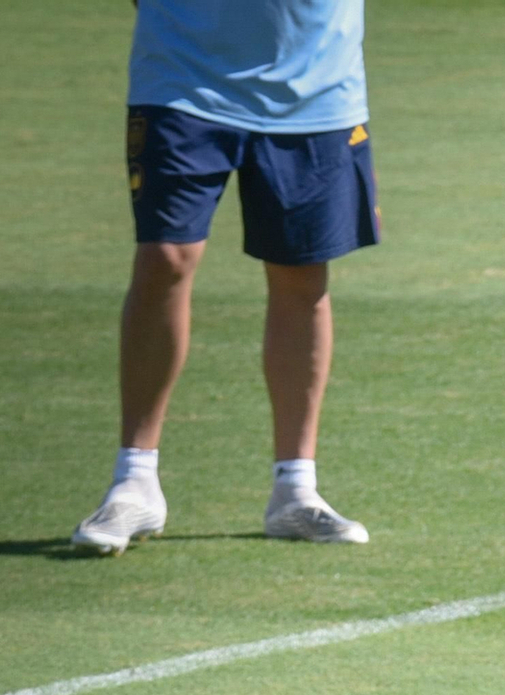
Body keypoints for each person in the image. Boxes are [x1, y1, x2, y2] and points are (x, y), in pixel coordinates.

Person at [74, 0, 375, 554]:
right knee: (166, 257)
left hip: (318, 82)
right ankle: (135, 479)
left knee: (301, 274)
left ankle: (295, 488)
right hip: (181, 74)